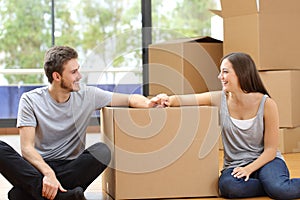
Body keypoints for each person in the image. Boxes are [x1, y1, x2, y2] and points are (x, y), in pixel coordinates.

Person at [0, 45, 159, 200]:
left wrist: (148, 103)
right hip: (40, 167)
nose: (80, 76)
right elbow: (27, 149)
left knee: (102, 151)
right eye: (74, 72)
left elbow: (129, 99)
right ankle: (64, 195)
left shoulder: (88, 95)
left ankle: (37, 192)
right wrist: (49, 174)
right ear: (57, 77)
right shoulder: (30, 100)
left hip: (72, 167)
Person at [155, 52, 300, 199]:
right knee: (230, 188)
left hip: (267, 161)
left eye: (225, 72)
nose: (220, 77)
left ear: (241, 74)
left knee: (281, 190)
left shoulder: (267, 104)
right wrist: (166, 99)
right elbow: (185, 100)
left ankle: (272, 185)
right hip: (235, 165)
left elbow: (270, 150)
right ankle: (268, 185)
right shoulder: (220, 99)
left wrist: (248, 169)